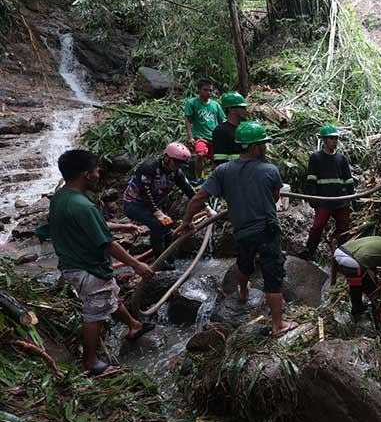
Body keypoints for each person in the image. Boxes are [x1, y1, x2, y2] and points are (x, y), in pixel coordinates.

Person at [182, 122, 297, 337]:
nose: (265, 148)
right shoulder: (270, 170)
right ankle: (278, 325)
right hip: (266, 229)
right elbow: (275, 197)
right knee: (274, 274)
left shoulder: (223, 171)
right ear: (254, 147)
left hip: (242, 230)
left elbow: (199, 197)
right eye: (262, 144)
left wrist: (186, 222)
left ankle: (243, 292)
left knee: (244, 263)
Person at [49, 149, 155, 377]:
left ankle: (134, 325)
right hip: (87, 267)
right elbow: (107, 244)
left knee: (111, 295)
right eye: (97, 171)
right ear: (87, 174)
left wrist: (122, 226)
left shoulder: (62, 196)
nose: (99, 175)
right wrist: (136, 264)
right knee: (94, 314)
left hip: (73, 262)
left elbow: (88, 226)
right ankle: (91, 361)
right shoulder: (83, 205)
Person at [121, 142, 196, 270]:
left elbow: (188, 189)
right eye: (176, 163)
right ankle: (159, 261)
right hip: (133, 204)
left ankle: (169, 259)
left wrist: (206, 208)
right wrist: (158, 213)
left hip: (151, 205)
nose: (177, 166)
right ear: (166, 158)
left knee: (168, 228)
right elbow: (146, 193)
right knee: (157, 225)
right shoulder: (148, 168)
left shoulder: (176, 172)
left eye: (180, 164)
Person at [299, 124, 354, 261]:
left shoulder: (341, 158)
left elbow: (348, 179)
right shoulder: (316, 158)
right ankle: (309, 251)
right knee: (318, 226)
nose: (335, 141)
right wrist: (312, 196)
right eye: (331, 138)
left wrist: (353, 197)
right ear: (324, 140)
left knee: (344, 226)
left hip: (341, 199)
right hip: (324, 199)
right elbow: (311, 178)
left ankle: (340, 252)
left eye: (336, 138)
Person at [184, 79, 225, 181]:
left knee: (216, 160)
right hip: (200, 136)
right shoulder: (192, 103)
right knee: (200, 154)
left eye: (210, 90)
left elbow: (222, 121)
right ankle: (199, 178)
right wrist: (190, 137)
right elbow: (188, 120)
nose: (208, 93)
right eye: (205, 90)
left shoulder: (216, 105)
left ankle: (215, 179)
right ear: (199, 90)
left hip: (214, 138)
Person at [212, 92, 249, 167]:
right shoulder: (221, 131)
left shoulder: (246, 129)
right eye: (242, 108)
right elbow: (220, 160)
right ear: (231, 109)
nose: (246, 111)